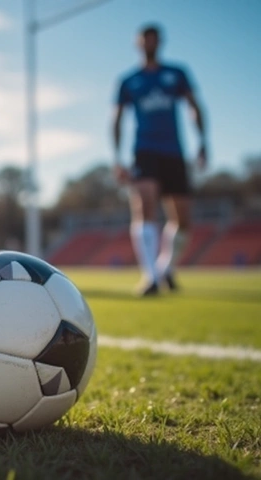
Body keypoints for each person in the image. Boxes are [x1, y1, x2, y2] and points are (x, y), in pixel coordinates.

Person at [112, 24, 207, 296]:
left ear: (159, 43)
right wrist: (117, 158)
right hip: (144, 151)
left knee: (184, 220)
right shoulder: (129, 81)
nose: (148, 44)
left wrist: (203, 142)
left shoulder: (176, 74)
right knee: (145, 208)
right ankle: (150, 277)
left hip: (174, 152)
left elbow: (193, 106)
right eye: (144, 40)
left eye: (153, 40)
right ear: (137, 44)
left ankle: (165, 268)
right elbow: (116, 118)